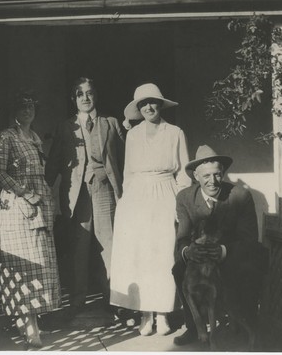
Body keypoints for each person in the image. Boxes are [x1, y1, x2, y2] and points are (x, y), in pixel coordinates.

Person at [110, 83, 191, 336]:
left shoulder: (175, 132)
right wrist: (125, 203)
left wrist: (179, 204)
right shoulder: (132, 135)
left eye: (152, 102)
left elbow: (184, 174)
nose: (148, 107)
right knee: (142, 255)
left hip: (165, 193)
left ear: (160, 104)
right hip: (137, 197)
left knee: (163, 254)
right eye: (143, 104)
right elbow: (128, 173)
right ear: (138, 108)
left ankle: (163, 313)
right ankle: (145, 314)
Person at [45, 77, 125, 318]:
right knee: (79, 247)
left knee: (108, 245)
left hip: (105, 189)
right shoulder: (65, 127)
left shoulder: (110, 123)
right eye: (80, 94)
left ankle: (113, 298)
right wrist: (42, 192)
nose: (85, 98)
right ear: (74, 99)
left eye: (89, 93)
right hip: (76, 194)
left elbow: (123, 160)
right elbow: (54, 163)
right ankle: (77, 301)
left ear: (95, 95)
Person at [172, 145, 267, 346]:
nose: (212, 181)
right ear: (196, 176)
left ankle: (244, 325)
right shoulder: (185, 198)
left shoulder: (240, 195)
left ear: (223, 173)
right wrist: (188, 252)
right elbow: (182, 238)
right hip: (199, 259)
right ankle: (194, 327)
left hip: (230, 255)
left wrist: (223, 251)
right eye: (206, 176)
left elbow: (249, 239)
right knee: (179, 268)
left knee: (249, 265)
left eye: (217, 174)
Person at [0, 92, 61, 348]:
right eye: (21, 106)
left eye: (30, 106)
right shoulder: (6, 137)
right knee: (23, 266)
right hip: (16, 208)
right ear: (13, 111)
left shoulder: (35, 138)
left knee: (38, 264)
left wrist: (41, 197)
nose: (27, 110)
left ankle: (31, 324)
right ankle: (30, 329)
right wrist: (24, 192)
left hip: (38, 206)